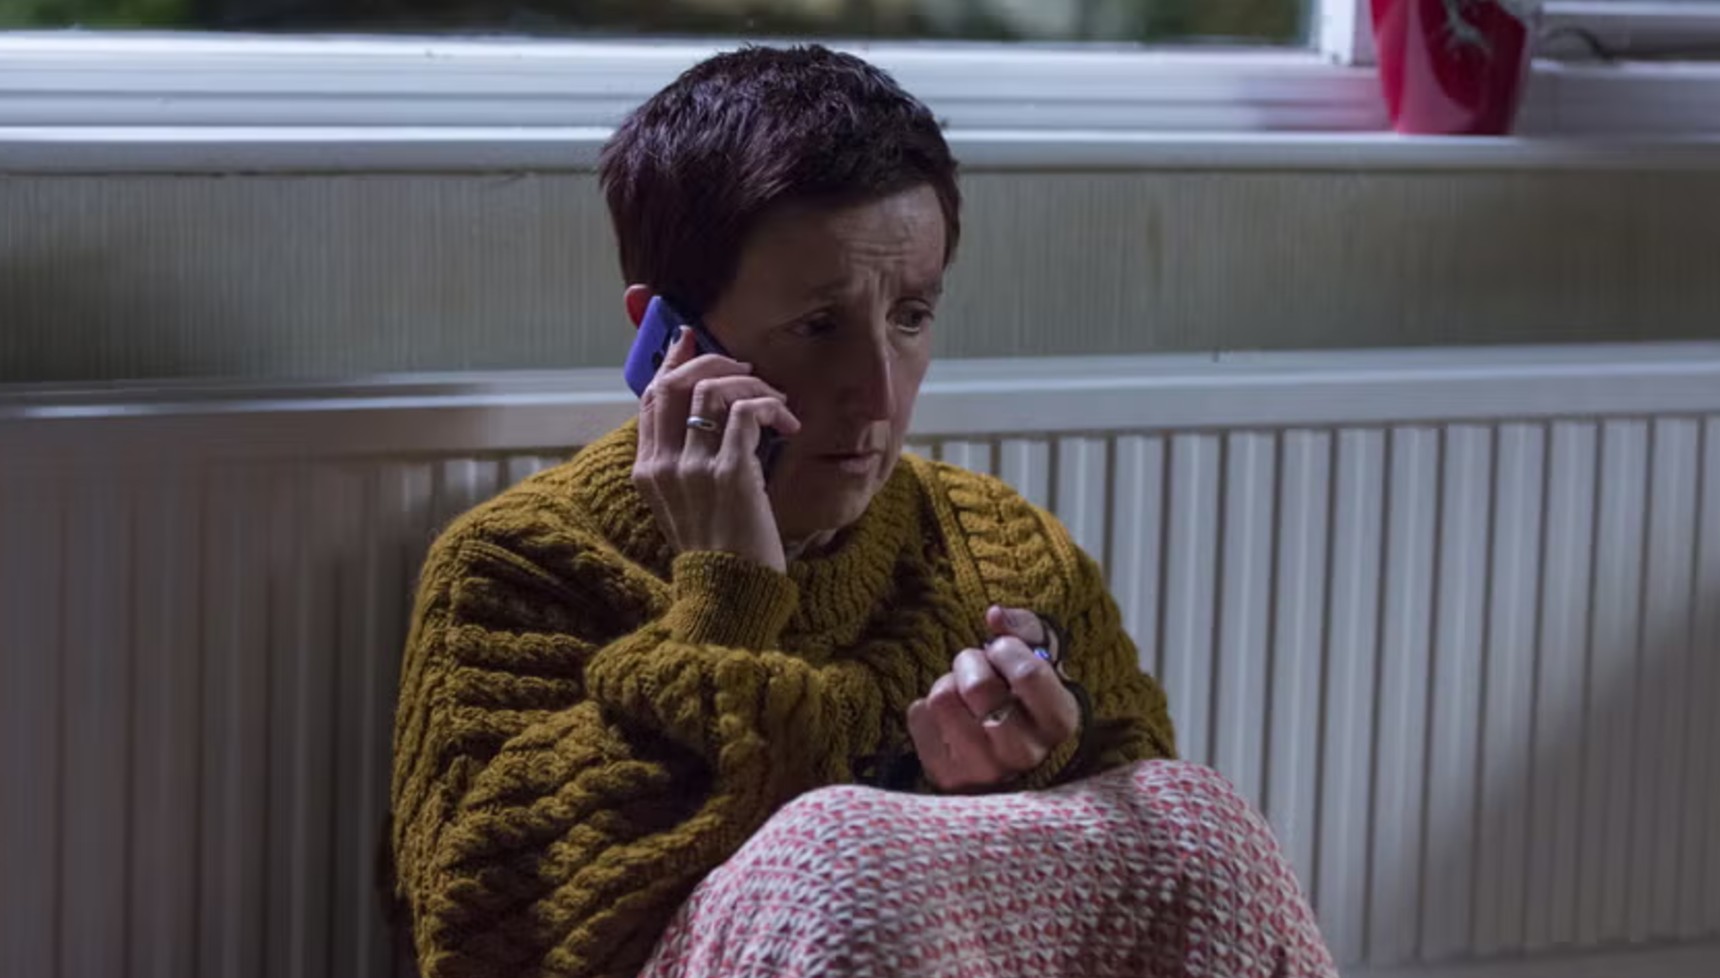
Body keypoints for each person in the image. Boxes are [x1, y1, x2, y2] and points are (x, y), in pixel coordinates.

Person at [389, 44, 1334, 978]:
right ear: (670, 336)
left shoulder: (999, 548)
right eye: (819, 326)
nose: (880, 396)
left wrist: (1014, 776)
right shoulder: (516, 570)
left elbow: (1149, 887)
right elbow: (489, 934)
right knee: (839, 848)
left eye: (911, 317)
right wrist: (727, 601)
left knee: (1191, 816)